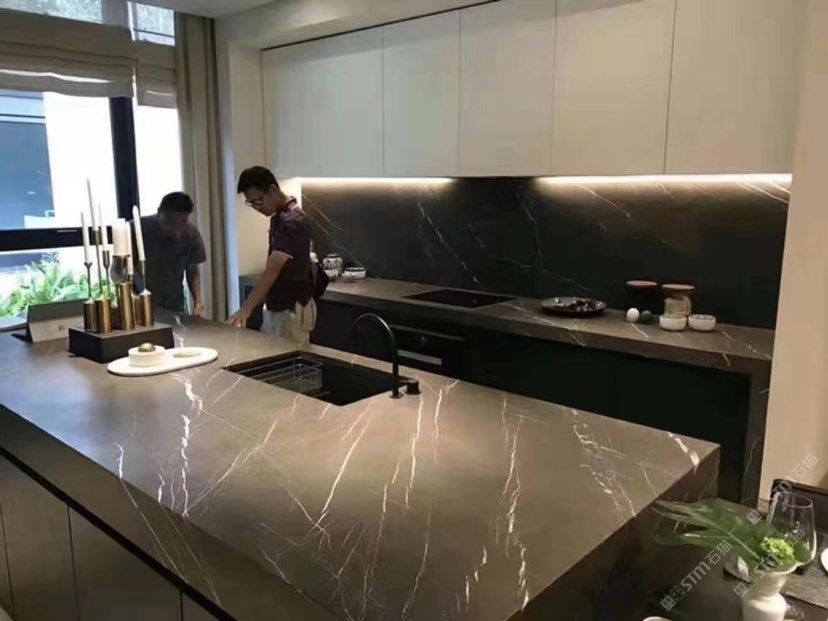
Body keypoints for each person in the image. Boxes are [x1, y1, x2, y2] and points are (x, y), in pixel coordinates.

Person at [228, 166, 317, 343]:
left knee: (288, 357)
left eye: (258, 201)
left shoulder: (292, 222)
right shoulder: (280, 217)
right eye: (251, 203)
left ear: (273, 190)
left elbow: (272, 271)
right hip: (278, 306)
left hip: (290, 308)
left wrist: (246, 309)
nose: (256, 207)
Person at [138, 192, 206, 316]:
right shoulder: (138, 229)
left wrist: (198, 303)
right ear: (159, 212)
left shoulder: (191, 235)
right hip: (141, 305)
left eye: (182, 222)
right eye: (170, 221)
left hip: (174, 305)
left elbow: (192, 271)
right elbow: (117, 270)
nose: (176, 229)